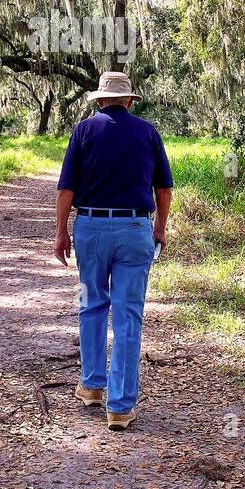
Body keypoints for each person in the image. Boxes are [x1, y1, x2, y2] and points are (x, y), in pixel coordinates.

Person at [53, 70, 174, 431]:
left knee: (91, 304)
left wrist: (61, 233)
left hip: (90, 229)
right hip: (135, 230)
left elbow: (66, 191)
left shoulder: (84, 131)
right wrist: (159, 228)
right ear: (128, 100)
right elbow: (164, 190)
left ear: (101, 100)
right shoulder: (147, 132)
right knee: (127, 315)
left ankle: (91, 386)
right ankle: (119, 406)